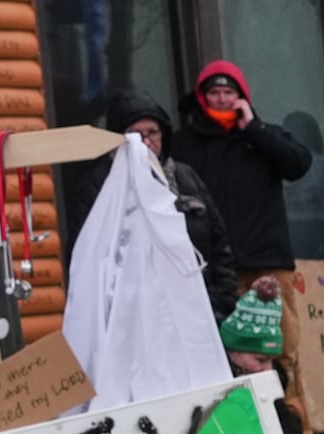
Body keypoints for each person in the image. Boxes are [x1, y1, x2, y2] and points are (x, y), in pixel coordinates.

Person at [100, 87, 243, 316]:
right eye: (136, 135)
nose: (147, 142)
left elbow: (219, 245)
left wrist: (223, 301)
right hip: (136, 314)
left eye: (152, 132)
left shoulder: (185, 177)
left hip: (198, 306)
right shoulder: (102, 185)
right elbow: (92, 258)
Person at [176, 60, 317, 275]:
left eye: (229, 92)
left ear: (241, 97)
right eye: (214, 92)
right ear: (203, 97)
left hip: (266, 263)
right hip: (211, 267)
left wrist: (254, 129)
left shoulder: (264, 134)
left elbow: (299, 165)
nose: (222, 99)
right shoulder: (183, 143)